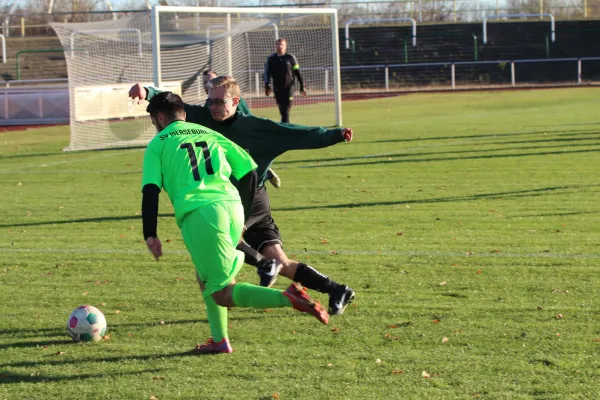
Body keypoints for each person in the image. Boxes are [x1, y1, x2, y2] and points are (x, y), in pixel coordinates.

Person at [129, 76, 355, 316]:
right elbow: (172, 106)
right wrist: (147, 91)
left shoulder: (258, 128)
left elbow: (296, 134)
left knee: (216, 259)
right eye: (209, 101)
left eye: (218, 102)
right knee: (280, 261)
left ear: (236, 101)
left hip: (246, 200)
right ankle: (337, 289)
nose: (212, 107)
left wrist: (335, 135)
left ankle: (228, 323)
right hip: (231, 199)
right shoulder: (202, 118)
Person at [141, 91, 329, 354]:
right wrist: (244, 208)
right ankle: (220, 340)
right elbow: (250, 169)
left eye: (153, 122)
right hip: (232, 206)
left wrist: (150, 233)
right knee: (204, 276)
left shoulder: (158, 143)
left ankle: (288, 298)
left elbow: (150, 191)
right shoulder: (208, 132)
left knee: (221, 292)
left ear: (160, 118)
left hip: (201, 215)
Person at [204, 69, 282, 188]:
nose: (208, 83)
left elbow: (248, 118)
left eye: (211, 79)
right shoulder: (209, 103)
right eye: (205, 82)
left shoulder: (233, 102)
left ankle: (265, 173)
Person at [264, 38, 306, 124]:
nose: (280, 46)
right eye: (278, 44)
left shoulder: (290, 58)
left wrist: (302, 86)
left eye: (282, 44)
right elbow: (267, 73)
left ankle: (285, 128)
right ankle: (285, 126)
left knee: (286, 109)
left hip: (289, 87)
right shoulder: (271, 59)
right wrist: (267, 85)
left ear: (286, 46)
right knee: (282, 110)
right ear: (275, 46)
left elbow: (298, 73)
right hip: (277, 88)